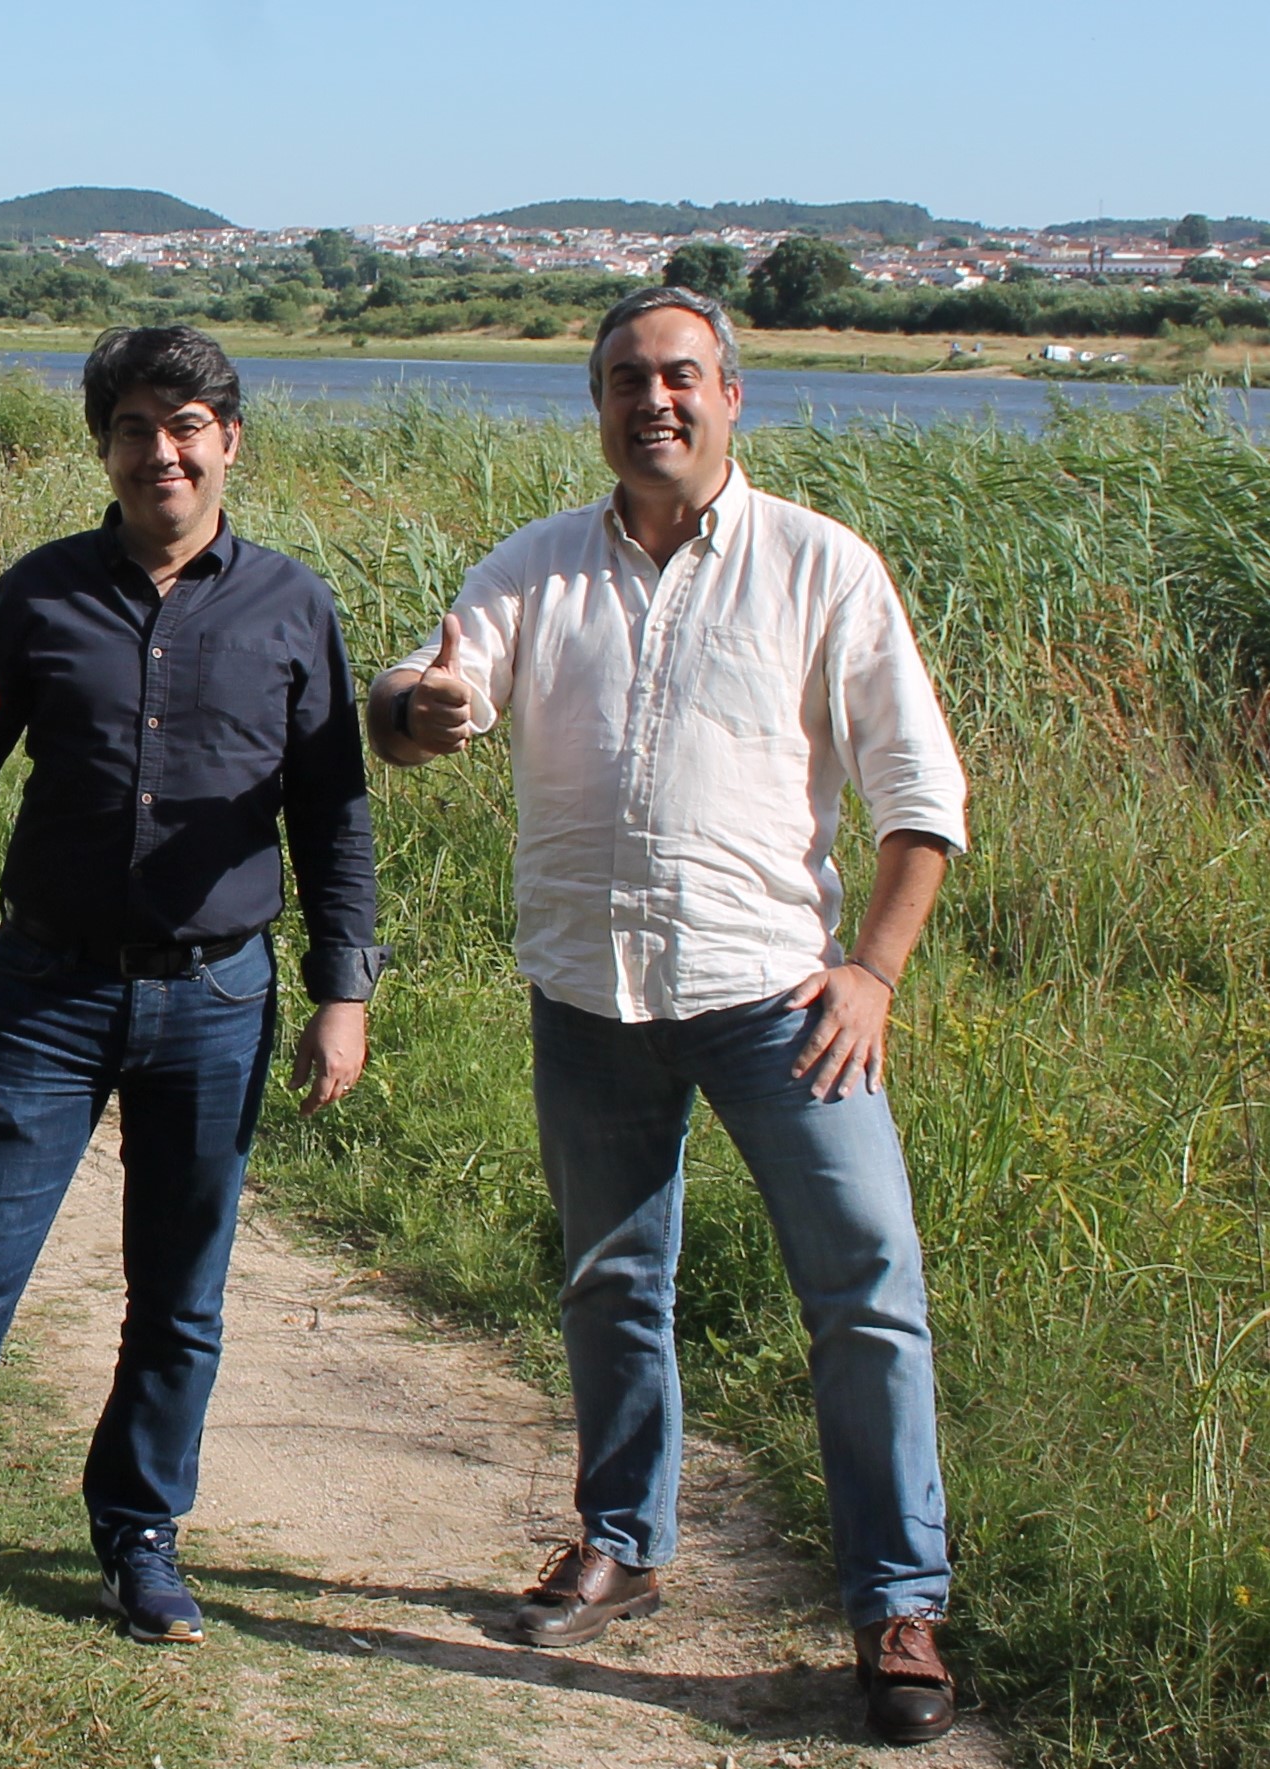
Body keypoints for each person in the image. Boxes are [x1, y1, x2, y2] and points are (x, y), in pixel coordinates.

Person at [368, 285, 968, 1744]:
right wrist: (414, 707)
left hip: (781, 1000)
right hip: (590, 993)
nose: (655, 401)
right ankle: (622, 1541)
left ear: (729, 395)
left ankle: (895, 1604)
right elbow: (427, 686)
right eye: (627, 378)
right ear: (596, 403)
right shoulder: (535, 567)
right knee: (608, 1280)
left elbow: (918, 792)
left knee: (865, 1286)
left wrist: (874, 971)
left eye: (681, 375)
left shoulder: (819, 565)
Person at [0, 325, 382, 1650]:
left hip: (217, 1000)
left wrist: (341, 993)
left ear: (228, 440)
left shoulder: (291, 606)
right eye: (131, 428)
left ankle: (139, 1542)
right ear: (103, 447)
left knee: (178, 1295)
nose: (158, 451)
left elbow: (333, 812)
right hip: (47, 993)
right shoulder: (43, 590)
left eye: (184, 426)